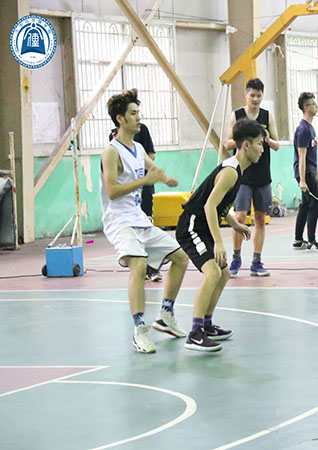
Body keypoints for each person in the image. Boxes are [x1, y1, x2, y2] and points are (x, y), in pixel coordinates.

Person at [100, 89, 189, 354]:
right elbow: (112, 191)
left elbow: (153, 169)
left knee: (181, 258)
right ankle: (140, 330)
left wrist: (166, 179)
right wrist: (146, 180)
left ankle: (166, 315)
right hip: (119, 221)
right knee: (138, 266)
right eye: (133, 113)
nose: (139, 118)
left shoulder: (138, 148)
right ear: (120, 118)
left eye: (138, 112)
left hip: (138, 218)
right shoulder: (111, 152)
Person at [176, 118, 264, 352]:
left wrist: (234, 224)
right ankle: (194, 333)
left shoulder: (238, 170)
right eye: (259, 144)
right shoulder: (230, 173)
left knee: (223, 274)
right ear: (246, 145)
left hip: (203, 226)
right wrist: (218, 242)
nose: (262, 149)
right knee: (213, 272)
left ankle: (206, 324)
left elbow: (219, 207)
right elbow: (209, 206)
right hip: (192, 226)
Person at [222, 78, 279, 278]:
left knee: (260, 219)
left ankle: (256, 261)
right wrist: (244, 138)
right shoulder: (237, 115)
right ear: (246, 95)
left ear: (262, 96)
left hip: (262, 175)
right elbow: (228, 143)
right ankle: (236, 258)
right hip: (242, 175)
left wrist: (266, 138)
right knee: (239, 216)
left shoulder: (266, 116)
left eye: (259, 96)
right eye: (252, 95)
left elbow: (276, 144)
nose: (255, 99)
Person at [110, 123, 162, 282]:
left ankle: (152, 268)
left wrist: (137, 164)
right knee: (132, 233)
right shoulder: (113, 138)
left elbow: (151, 155)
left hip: (144, 188)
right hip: (126, 194)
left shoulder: (141, 130)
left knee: (146, 227)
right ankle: (139, 268)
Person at [293, 92, 318, 252]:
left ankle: (298, 240)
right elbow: (302, 157)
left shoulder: (310, 128)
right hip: (304, 172)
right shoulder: (303, 130)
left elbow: (313, 156)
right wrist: (303, 180)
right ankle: (312, 241)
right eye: (313, 104)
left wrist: (316, 176)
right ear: (306, 108)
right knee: (315, 204)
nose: (316, 106)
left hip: (310, 171)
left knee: (306, 204)